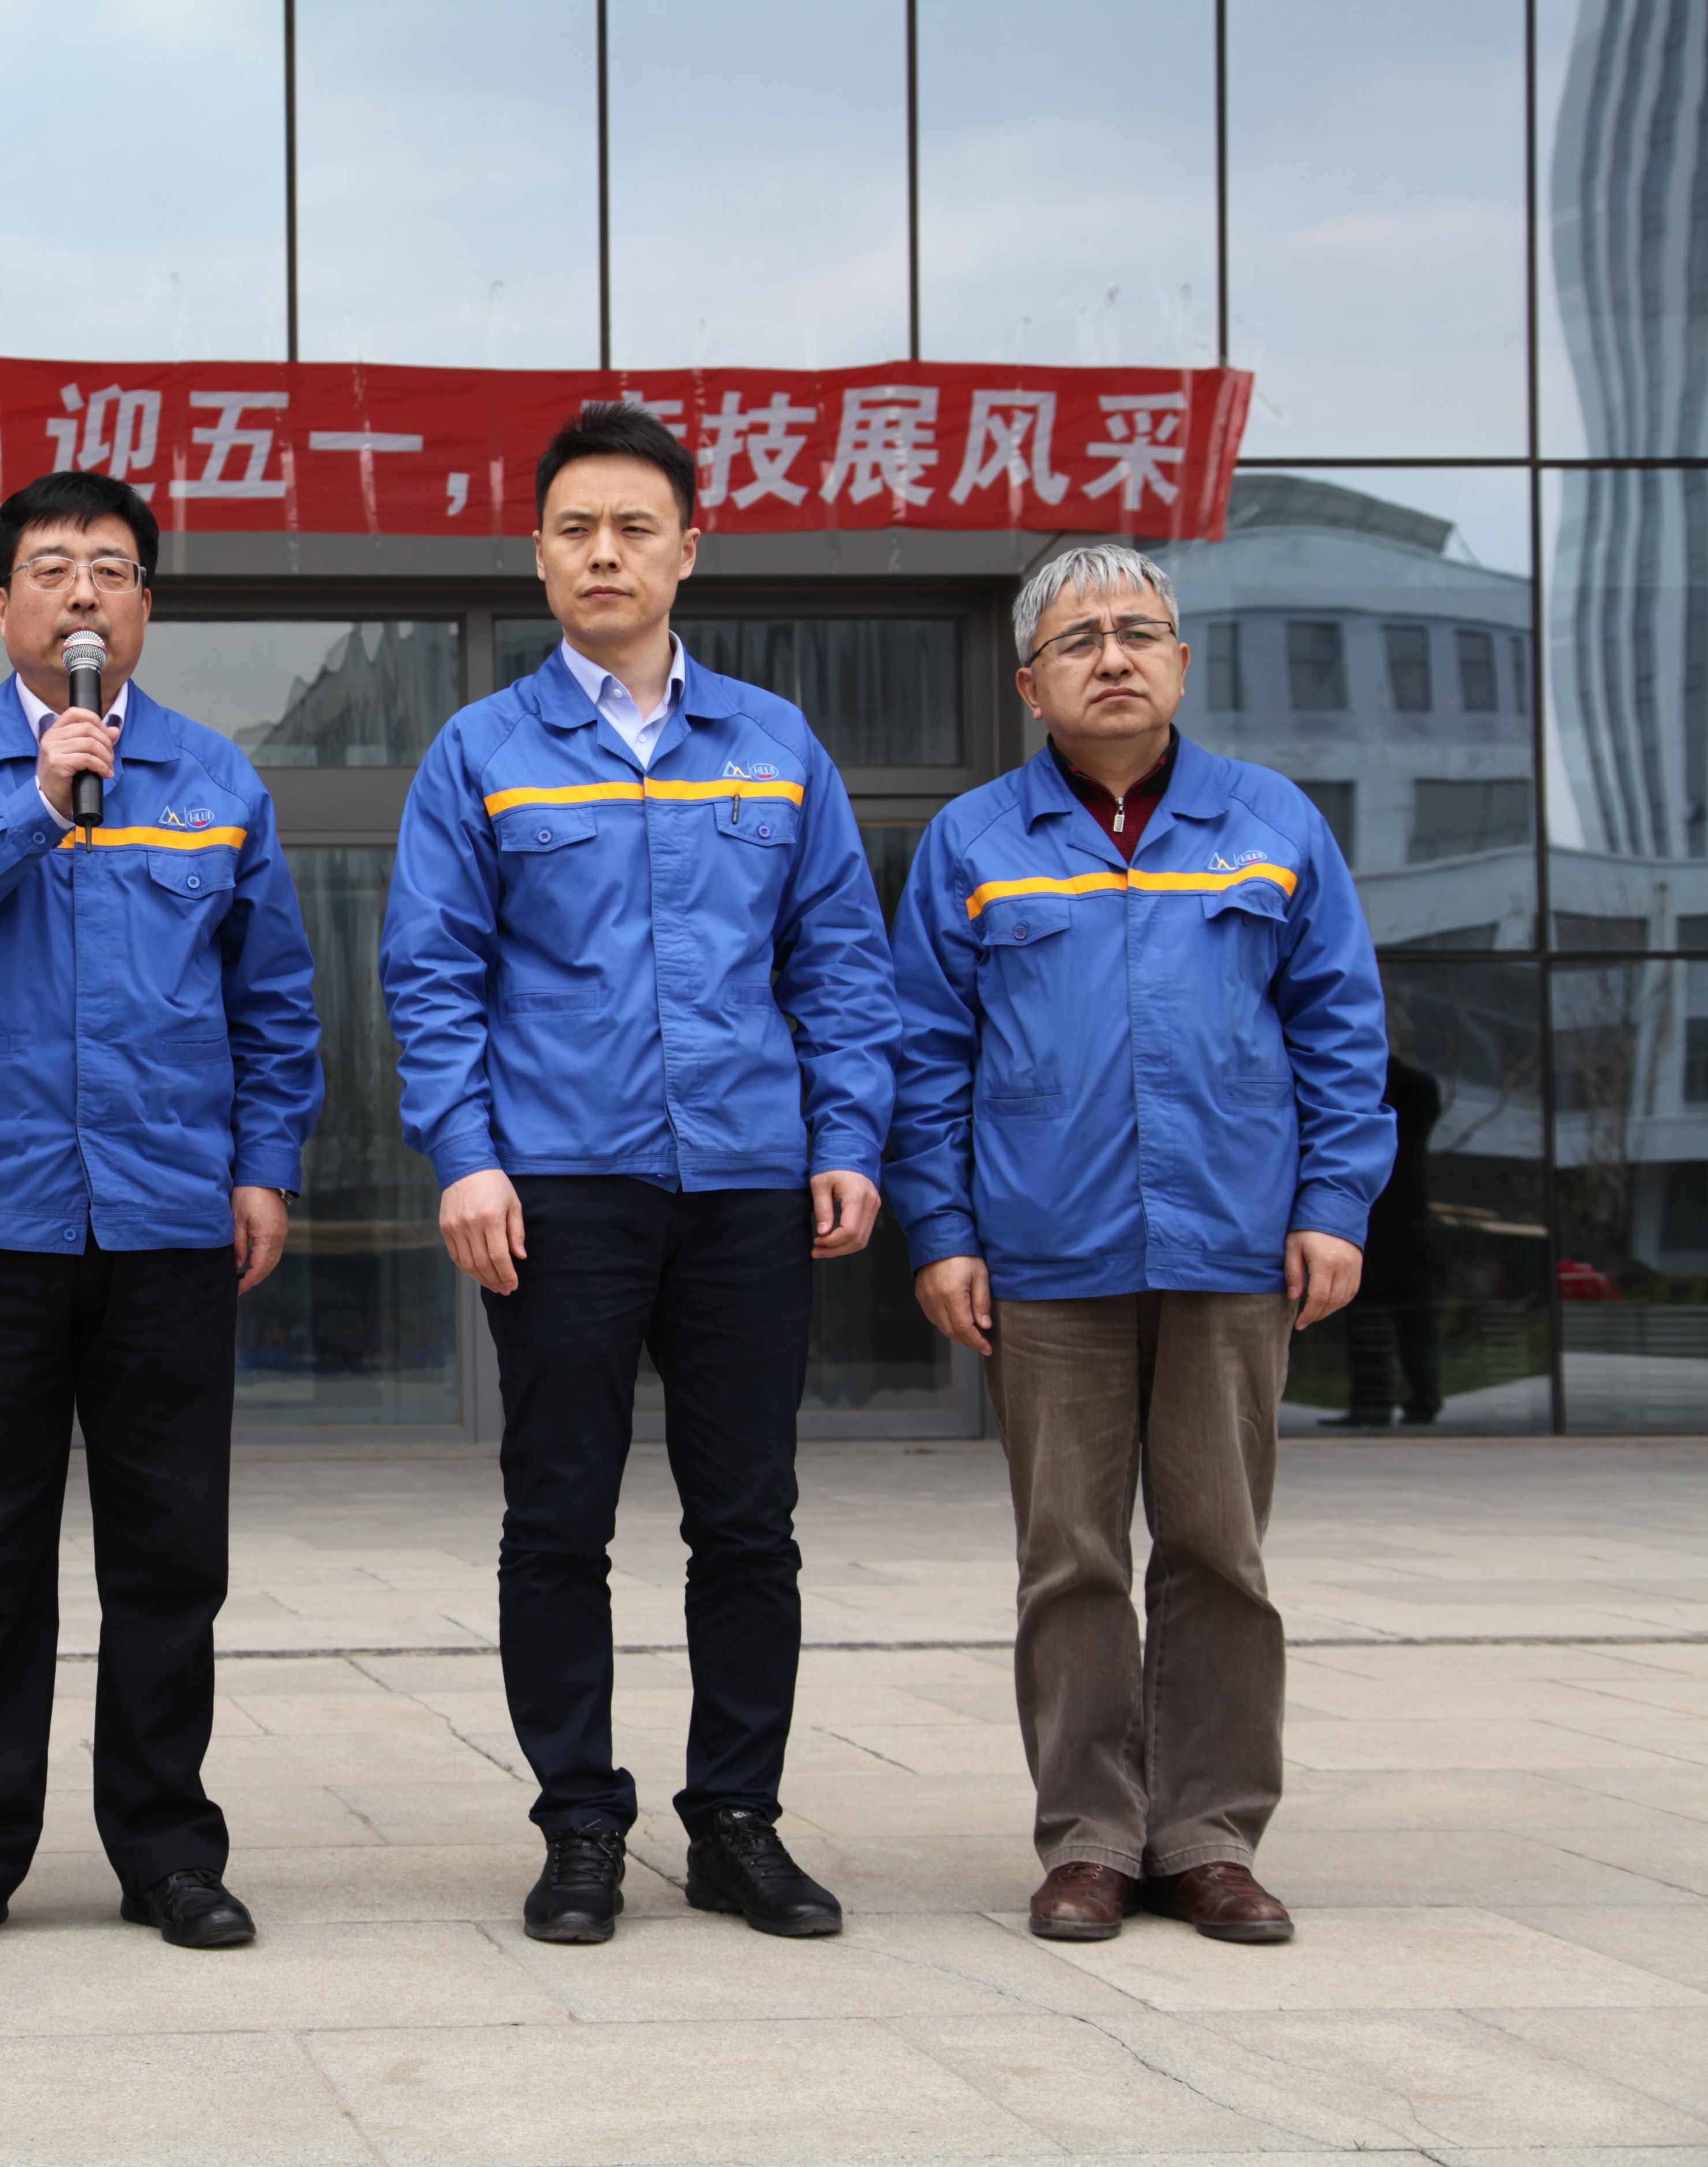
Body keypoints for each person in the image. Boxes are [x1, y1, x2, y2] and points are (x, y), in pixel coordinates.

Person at [378, 402, 899, 1946]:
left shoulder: (775, 743)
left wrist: (847, 1136)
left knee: (748, 1520)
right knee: (558, 1516)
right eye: (576, 529)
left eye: (634, 527)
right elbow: (431, 975)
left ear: (687, 550)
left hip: (747, 1183)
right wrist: (466, 1156)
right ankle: (580, 1823)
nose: (604, 552)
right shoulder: (482, 752)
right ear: (539, 556)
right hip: (559, 1185)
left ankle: (737, 1818)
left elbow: (840, 961)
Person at [0, 469, 324, 1956]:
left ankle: (167, 1846)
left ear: (145, 605)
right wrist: (36, 803)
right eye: (50, 568)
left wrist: (263, 1164)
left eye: (110, 568)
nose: (82, 594)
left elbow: (274, 996)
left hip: (169, 1217)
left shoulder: (214, 778)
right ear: (1, 605)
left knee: (169, 1553)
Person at [886, 543, 1392, 1946]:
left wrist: (1333, 1204)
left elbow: (1342, 1032)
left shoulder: (1272, 825)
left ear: (1179, 659)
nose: (1111, 656)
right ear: (1028, 683)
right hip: (1045, 1256)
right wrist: (943, 1231)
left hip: (1235, 1248)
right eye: (1078, 638)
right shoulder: (974, 843)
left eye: (1137, 631)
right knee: (1070, 1561)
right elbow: (923, 1057)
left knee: (1219, 1551)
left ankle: (1211, 1837)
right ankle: (1092, 1840)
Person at [1325, 1054, 1443, 1428]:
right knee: (1377, 1311)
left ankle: (1411, 1397)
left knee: (1400, 1314)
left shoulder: (1403, 1086)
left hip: (1393, 1213)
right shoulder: (1401, 1084)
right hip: (1381, 1212)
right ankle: (1381, 1400)